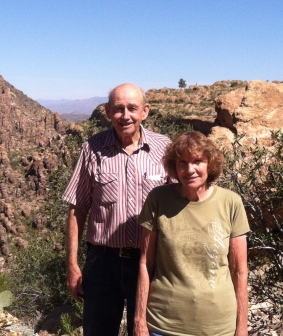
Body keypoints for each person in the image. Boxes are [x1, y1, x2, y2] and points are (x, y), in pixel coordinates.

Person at [62, 83, 171, 336]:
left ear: (145, 111)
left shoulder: (163, 148)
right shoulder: (92, 149)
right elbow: (77, 210)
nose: (126, 115)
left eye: (132, 108)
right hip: (102, 263)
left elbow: (180, 206)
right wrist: (72, 266)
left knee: (144, 331)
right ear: (108, 112)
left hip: (150, 262)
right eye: (118, 109)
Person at [134, 131, 249, 336]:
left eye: (198, 161)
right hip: (164, 324)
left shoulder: (231, 203)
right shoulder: (158, 199)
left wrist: (241, 328)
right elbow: (145, 263)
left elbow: (239, 271)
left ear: (210, 164)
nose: (190, 170)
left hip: (218, 326)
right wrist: (139, 320)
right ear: (174, 167)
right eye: (182, 163)